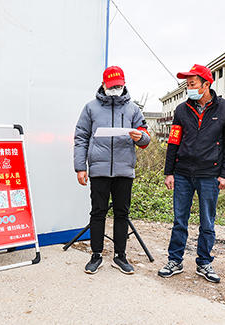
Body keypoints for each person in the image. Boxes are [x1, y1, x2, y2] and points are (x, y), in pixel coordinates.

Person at [158, 64, 225, 283]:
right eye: (187, 84)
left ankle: (204, 263)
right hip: (183, 174)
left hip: (210, 175)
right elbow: (173, 142)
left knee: (207, 223)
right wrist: (169, 172)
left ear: (206, 84)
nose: (189, 87)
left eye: (192, 83)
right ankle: (174, 260)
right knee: (179, 221)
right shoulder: (182, 110)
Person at [74, 66, 150, 275]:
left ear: (124, 83)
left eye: (118, 85)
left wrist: (141, 137)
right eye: (111, 85)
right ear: (103, 84)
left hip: (124, 170)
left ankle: (120, 256)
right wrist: (81, 167)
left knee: (121, 213)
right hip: (98, 169)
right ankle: (96, 254)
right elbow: (80, 138)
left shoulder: (134, 109)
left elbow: (145, 138)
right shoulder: (90, 108)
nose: (115, 89)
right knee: (98, 212)